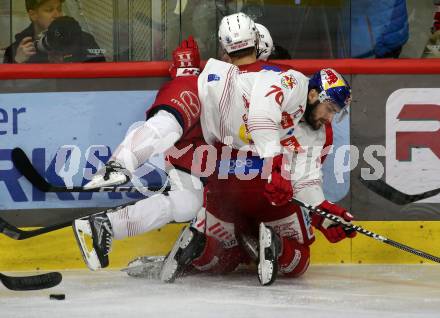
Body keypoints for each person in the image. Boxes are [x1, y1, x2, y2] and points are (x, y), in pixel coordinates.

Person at [73, 14, 291, 271]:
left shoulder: (266, 87)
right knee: (174, 118)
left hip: (220, 167)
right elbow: (173, 115)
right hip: (199, 156)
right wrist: (186, 74)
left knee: (192, 204)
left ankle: (109, 225)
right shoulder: (207, 80)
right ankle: (121, 164)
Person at [160, 53, 355, 284]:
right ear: (313, 94)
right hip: (256, 186)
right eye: (330, 109)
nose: (330, 117)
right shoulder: (290, 81)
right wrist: (275, 165)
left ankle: (199, 246)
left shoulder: (311, 122)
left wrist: (324, 211)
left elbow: (306, 178)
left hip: (226, 183)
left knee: (225, 257)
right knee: (299, 262)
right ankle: (277, 245)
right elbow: (261, 117)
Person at [3, 0, 105, 63]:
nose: (57, 15)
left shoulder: (83, 39)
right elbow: (7, 90)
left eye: (59, 8)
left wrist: (69, 64)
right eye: (49, 10)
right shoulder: (18, 49)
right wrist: (17, 62)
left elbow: (101, 78)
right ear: (33, 15)